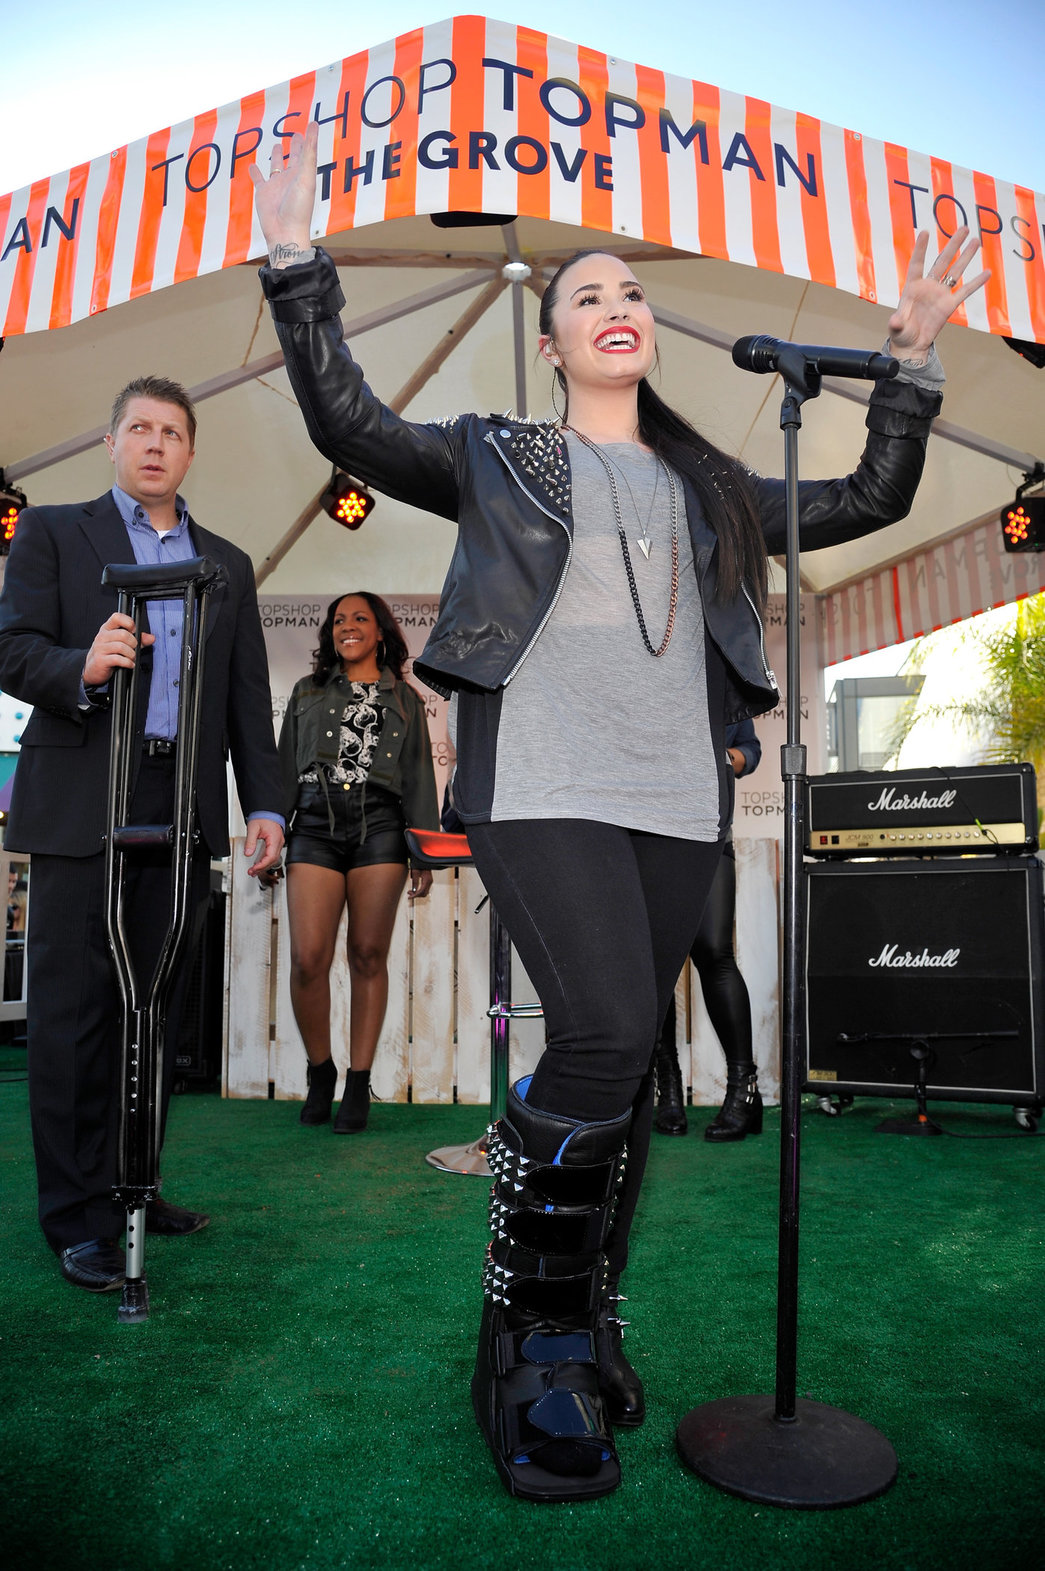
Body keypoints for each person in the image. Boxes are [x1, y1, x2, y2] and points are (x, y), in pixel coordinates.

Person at [250, 122, 987, 1502]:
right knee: (592, 1033)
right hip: (538, 778)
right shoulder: (496, 456)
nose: (617, 306)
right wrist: (299, 265)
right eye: (587, 293)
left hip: (676, 796)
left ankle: (585, 1314)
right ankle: (527, 1341)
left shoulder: (714, 485)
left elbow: (874, 491)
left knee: (631, 1056)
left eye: (630, 292)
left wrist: (913, 361)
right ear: (553, 335)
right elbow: (348, 423)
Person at [0, 376, 284, 1295]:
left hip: (180, 800)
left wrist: (267, 806)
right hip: (84, 793)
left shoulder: (228, 563)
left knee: (154, 1011)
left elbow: (248, 701)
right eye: (139, 429)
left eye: (172, 431)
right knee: (73, 1019)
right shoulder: (49, 531)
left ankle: (134, 1186)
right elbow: (9, 646)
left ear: (190, 452)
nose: (155, 444)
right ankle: (76, 1215)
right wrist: (76, 665)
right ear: (112, 442)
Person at [275, 590, 439, 1132]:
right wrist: (273, 832)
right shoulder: (306, 692)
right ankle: (321, 1070)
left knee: (369, 953)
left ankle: (358, 1083)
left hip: (382, 825)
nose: (348, 626)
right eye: (339, 619)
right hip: (315, 823)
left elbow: (418, 775)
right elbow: (280, 773)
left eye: (360, 618)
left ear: (380, 632)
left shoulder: (406, 698)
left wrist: (424, 851)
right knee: (308, 958)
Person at [654, 718, 764, 1139]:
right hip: (647, 832)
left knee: (715, 953)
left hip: (708, 830)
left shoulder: (722, 670)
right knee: (657, 961)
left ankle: (744, 1092)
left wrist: (730, 758)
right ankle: (668, 1089)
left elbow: (749, 749)